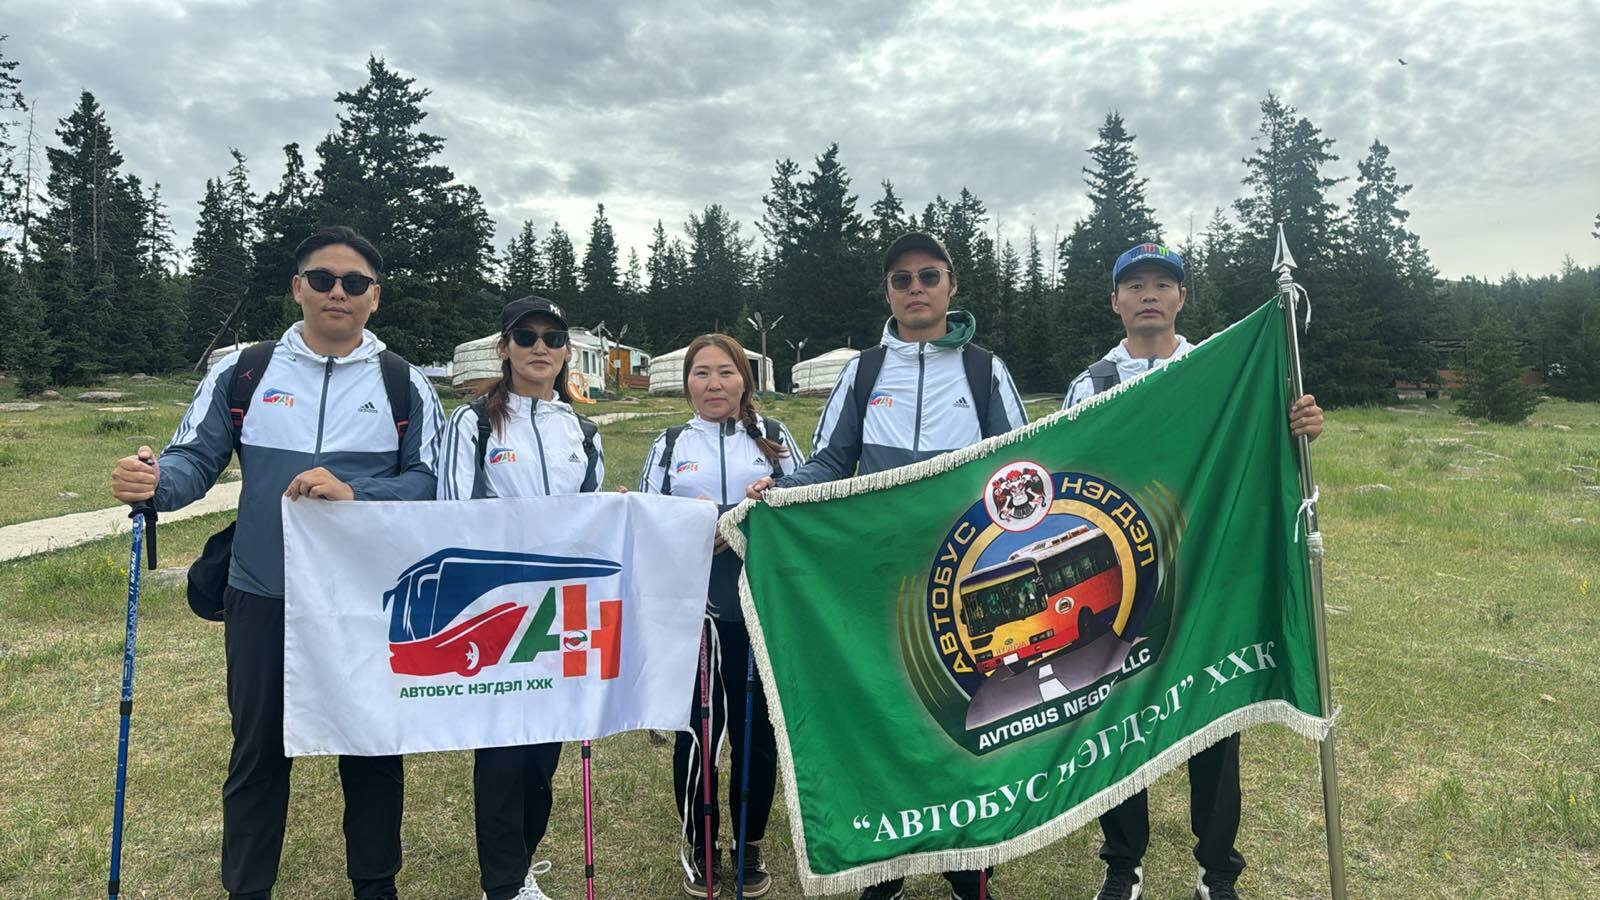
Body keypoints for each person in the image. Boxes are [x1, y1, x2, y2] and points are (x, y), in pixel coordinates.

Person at [110, 226, 444, 900]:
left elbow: (431, 484)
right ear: (298, 288)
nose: (337, 292)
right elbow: (193, 458)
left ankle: (375, 887)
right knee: (258, 751)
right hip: (263, 591)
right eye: (322, 279)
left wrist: (357, 492)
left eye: (354, 282)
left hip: (365, 599)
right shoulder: (245, 371)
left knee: (372, 748)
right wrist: (155, 482)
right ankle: (247, 888)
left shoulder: (404, 384)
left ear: (375, 297)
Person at [748, 232, 1028, 900]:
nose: (916, 288)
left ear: (951, 285)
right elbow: (830, 460)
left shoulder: (985, 370)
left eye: (929, 276)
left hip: (963, 576)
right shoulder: (865, 371)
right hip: (876, 580)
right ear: (888, 292)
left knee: (963, 710)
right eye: (902, 279)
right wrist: (779, 493)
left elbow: (1019, 465)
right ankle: (887, 864)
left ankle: (969, 861)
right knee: (885, 710)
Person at [1065, 241, 1323, 900]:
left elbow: (1258, 450)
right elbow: (1069, 477)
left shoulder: (1222, 372)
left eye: (1162, 283)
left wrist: (1298, 425)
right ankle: (1123, 865)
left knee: (1213, 717)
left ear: (1182, 297)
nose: (1149, 294)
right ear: (1116, 301)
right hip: (1124, 582)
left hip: (1208, 571)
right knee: (1117, 721)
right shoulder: (1090, 385)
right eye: (1135, 285)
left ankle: (1217, 869)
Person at [436, 295, 604, 900]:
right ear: (503, 346)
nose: (540, 348)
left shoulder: (582, 430)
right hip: (497, 610)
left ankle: (523, 863)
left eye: (552, 338)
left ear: (566, 351)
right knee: (503, 750)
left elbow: (592, 521)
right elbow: (454, 516)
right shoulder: (473, 422)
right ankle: (503, 883)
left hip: (558, 612)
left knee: (543, 752)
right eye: (526, 336)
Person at [638, 333, 806, 899]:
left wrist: (748, 517)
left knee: (757, 733)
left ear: (744, 380)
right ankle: (701, 840)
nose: (714, 384)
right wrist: (683, 523)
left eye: (726, 372)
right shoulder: (669, 444)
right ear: (686, 382)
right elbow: (647, 522)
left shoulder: (776, 437)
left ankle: (748, 842)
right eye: (702, 373)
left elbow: (805, 508)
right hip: (694, 613)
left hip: (760, 609)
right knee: (698, 732)